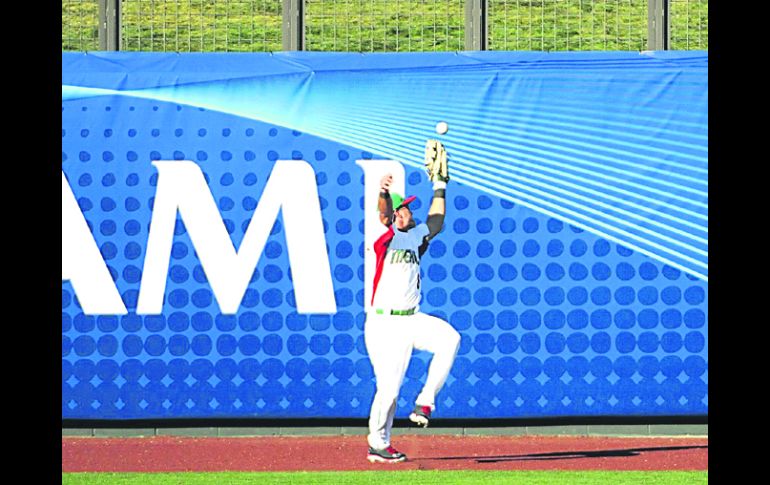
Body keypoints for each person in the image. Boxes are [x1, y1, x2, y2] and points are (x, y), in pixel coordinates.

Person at [364, 166, 461, 464]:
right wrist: (383, 194)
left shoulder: (416, 237)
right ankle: (378, 443)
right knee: (389, 389)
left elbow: (437, 220)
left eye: (407, 209)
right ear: (391, 219)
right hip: (384, 324)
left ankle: (425, 402)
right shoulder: (386, 239)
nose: (405, 213)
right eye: (400, 211)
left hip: (411, 319)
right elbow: (382, 214)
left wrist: (440, 185)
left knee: (450, 339)